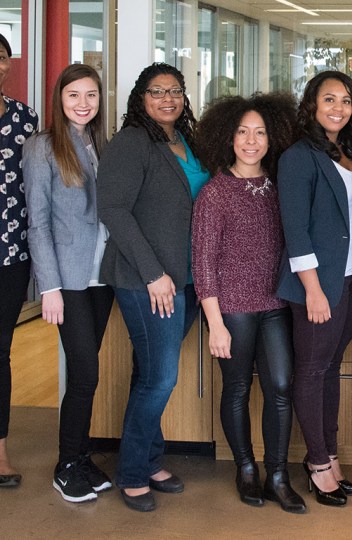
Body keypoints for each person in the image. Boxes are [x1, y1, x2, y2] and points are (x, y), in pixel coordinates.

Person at [97, 62, 210, 512]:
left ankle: (146, 457)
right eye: (157, 91)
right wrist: (152, 274)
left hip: (187, 279)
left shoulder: (185, 140)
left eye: (175, 91)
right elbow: (114, 210)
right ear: (140, 98)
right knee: (160, 377)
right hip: (148, 281)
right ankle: (131, 472)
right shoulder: (131, 143)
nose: (168, 99)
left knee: (150, 375)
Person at [191, 93, 304, 513]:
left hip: (275, 303)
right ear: (228, 137)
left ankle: (277, 474)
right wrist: (215, 324)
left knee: (279, 386)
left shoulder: (278, 187)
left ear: (272, 137)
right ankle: (246, 469)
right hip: (232, 308)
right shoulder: (214, 194)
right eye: (243, 132)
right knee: (237, 388)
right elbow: (203, 265)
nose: (252, 141)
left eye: (260, 132)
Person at [23, 64, 111, 503]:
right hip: (70, 281)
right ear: (59, 98)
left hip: (102, 277)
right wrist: (49, 288)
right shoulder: (42, 147)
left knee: (85, 372)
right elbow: (36, 223)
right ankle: (66, 464)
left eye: (91, 95)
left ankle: (80, 454)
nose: (83, 104)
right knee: (85, 374)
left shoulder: (99, 142)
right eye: (74, 95)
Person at [276, 71, 352, 508]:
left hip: (351, 279)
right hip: (318, 284)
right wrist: (311, 289)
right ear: (312, 105)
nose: (338, 108)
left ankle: (331, 454)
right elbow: (295, 228)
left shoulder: (349, 152)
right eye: (329, 99)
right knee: (311, 371)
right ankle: (316, 464)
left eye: (345, 101)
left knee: (329, 369)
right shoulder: (298, 157)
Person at [0, 32, 37, 490]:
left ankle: (1, 454)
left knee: (0, 353)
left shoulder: (25, 120)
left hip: (10, 254)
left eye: (2, 55)